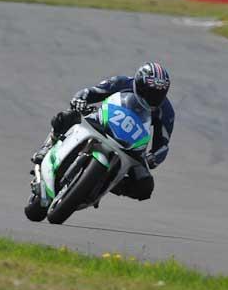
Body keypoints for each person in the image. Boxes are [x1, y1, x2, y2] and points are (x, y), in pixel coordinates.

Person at [32, 62, 174, 201]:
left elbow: (163, 144)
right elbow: (91, 91)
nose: (153, 97)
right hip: (101, 121)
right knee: (66, 117)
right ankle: (48, 145)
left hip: (132, 145)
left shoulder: (166, 111)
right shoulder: (122, 82)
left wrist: (153, 157)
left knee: (145, 187)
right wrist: (80, 99)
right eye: (149, 91)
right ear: (138, 83)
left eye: (158, 94)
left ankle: (107, 182)